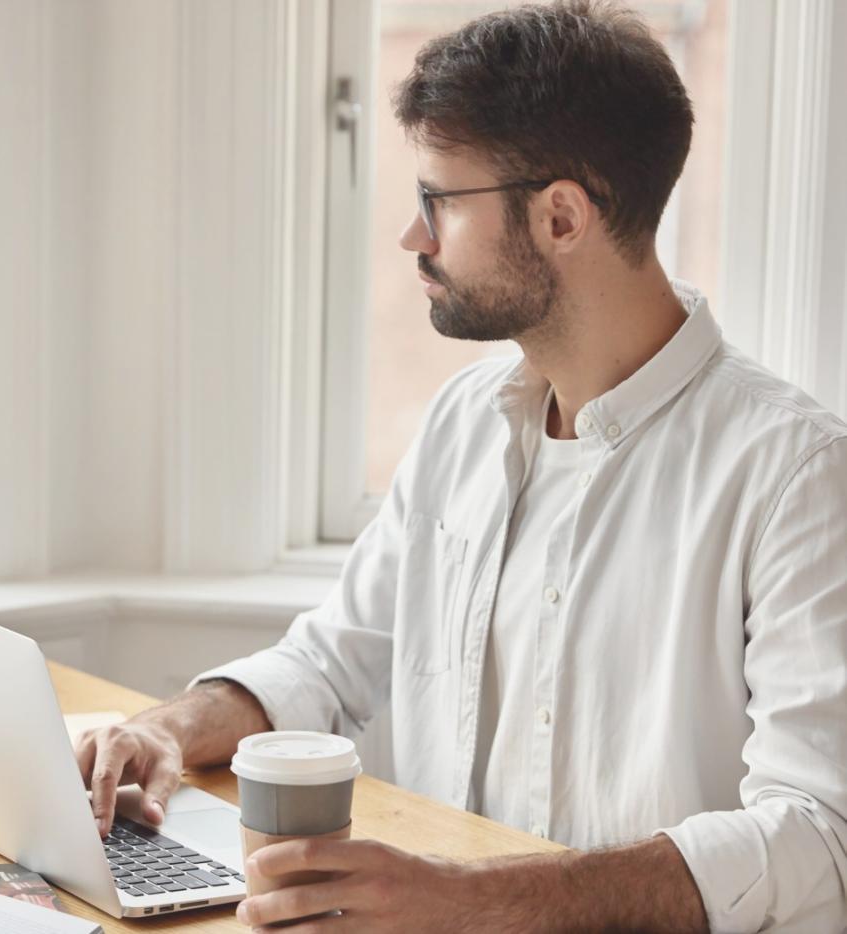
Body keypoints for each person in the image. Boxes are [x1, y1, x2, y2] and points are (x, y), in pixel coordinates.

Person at [73, 1, 847, 930]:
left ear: (561, 214)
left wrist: (476, 900)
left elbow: (816, 834)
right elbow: (335, 658)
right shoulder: (462, 424)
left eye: (439, 199)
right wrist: (168, 727)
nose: (414, 238)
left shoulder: (796, 475)